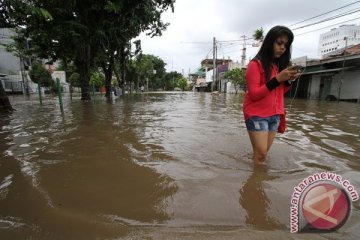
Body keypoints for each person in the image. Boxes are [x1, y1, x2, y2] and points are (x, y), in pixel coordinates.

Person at [243, 26, 300, 165]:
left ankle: (257, 178)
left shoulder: (277, 67)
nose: (283, 48)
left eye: (285, 45)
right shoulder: (255, 65)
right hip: (256, 114)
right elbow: (255, 94)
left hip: (275, 115)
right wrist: (278, 79)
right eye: (279, 43)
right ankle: (255, 183)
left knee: (262, 155)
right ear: (270, 42)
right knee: (261, 154)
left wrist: (288, 81)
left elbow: (279, 93)